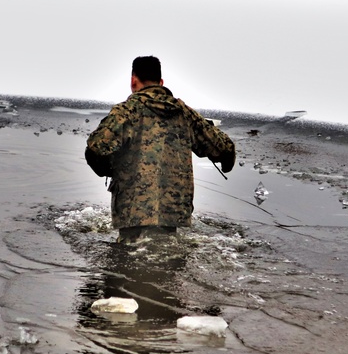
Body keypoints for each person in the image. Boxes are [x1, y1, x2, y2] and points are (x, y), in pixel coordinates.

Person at [85, 56, 236, 244]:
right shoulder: (184, 112)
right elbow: (223, 147)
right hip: (172, 212)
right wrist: (227, 162)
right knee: (168, 259)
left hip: (133, 212)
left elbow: (95, 148)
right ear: (161, 82)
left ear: (133, 80)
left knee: (128, 261)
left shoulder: (126, 111)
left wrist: (107, 170)